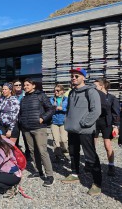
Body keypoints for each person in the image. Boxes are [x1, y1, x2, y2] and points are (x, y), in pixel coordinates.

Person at [62, 68, 102, 196]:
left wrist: (84, 123)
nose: (74, 78)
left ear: (83, 77)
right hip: (72, 129)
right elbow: (69, 109)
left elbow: (96, 111)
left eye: (77, 76)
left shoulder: (91, 92)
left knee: (91, 157)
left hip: (85, 130)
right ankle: (75, 174)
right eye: (72, 76)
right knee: (73, 153)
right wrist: (67, 121)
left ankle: (97, 183)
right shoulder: (72, 92)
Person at [18, 78, 55, 187]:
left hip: (39, 127)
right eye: (24, 85)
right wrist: (21, 121)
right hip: (26, 128)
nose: (25, 87)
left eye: (27, 85)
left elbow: (51, 109)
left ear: (33, 86)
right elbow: (21, 113)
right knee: (32, 151)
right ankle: (38, 171)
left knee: (42, 151)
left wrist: (42, 118)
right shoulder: (23, 99)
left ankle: (50, 175)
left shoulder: (40, 95)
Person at [93, 78, 120, 176]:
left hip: (107, 123)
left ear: (102, 86)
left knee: (107, 145)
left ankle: (111, 166)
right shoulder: (93, 98)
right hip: (95, 122)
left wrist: (116, 126)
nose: (93, 87)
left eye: (95, 85)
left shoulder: (112, 98)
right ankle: (93, 164)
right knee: (92, 145)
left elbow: (116, 113)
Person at [49, 84, 69, 162]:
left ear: (62, 91)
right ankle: (57, 155)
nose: (56, 92)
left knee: (64, 140)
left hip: (63, 121)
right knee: (56, 140)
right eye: (55, 90)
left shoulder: (66, 99)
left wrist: (62, 108)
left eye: (58, 90)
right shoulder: (51, 99)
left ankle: (66, 153)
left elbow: (69, 109)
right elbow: (49, 109)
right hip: (54, 122)